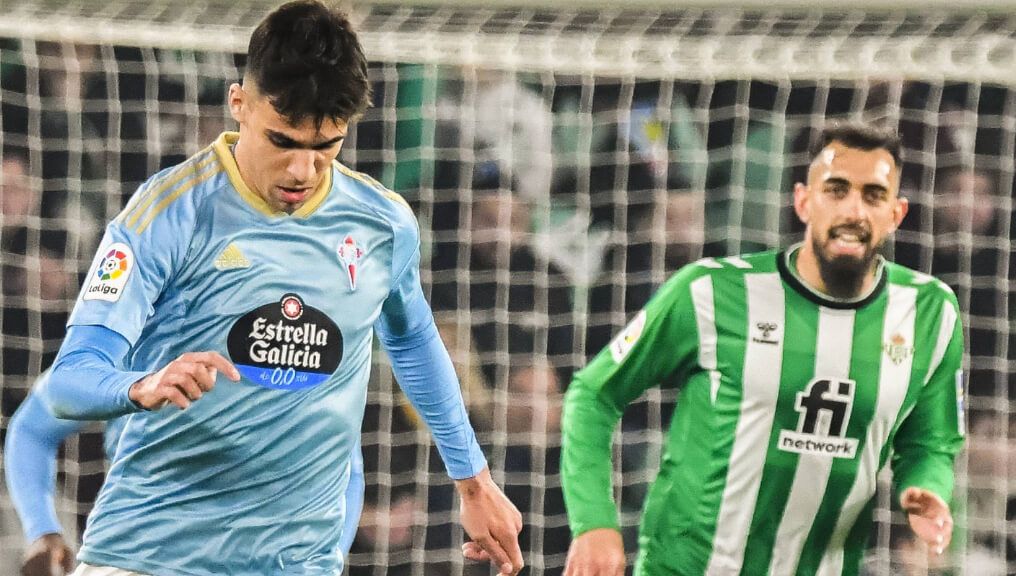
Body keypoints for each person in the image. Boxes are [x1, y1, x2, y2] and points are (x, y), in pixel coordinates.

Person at [42, 2, 523, 575]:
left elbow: (413, 339)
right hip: (149, 557)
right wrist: (141, 383)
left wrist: (473, 481)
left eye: (326, 146)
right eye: (284, 141)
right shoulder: (167, 213)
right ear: (238, 104)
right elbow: (70, 381)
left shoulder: (381, 224)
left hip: (296, 565)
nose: (303, 171)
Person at [560, 122, 965, 575]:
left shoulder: (931, 313)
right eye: (836, 190)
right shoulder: (710, 290)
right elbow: (593, 395)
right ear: (803, 201)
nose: (854, 210)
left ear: (896, 213)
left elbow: (931, 442)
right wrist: (594, 521)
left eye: (873, 195)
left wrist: (927, 486)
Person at [5, 370, 366, 576]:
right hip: (138, 554)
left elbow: (346, 470)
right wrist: (43, 530)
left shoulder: (293, 358)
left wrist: (325, 557)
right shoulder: (132, 335)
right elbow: (33, 429)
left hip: (260, 559)